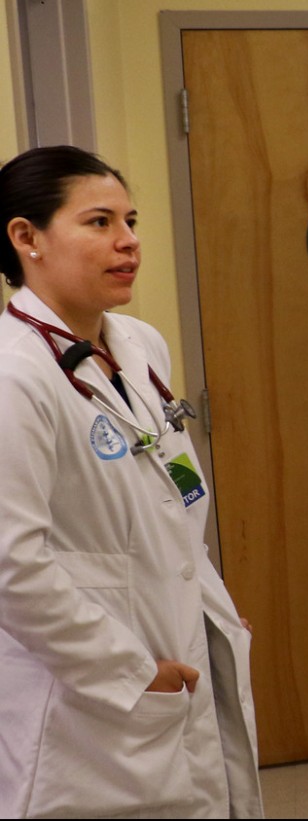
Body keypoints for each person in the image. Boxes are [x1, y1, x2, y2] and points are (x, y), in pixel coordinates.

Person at [0, 145, 262, 817]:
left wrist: (208, 611)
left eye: (131, 219)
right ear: (25, 237)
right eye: (98, 222)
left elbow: (169, 506)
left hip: (176, 649)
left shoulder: (139, 344)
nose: (129, 241)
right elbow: (12, 567)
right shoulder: (14, 376)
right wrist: (130, 669)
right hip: (87, 700)